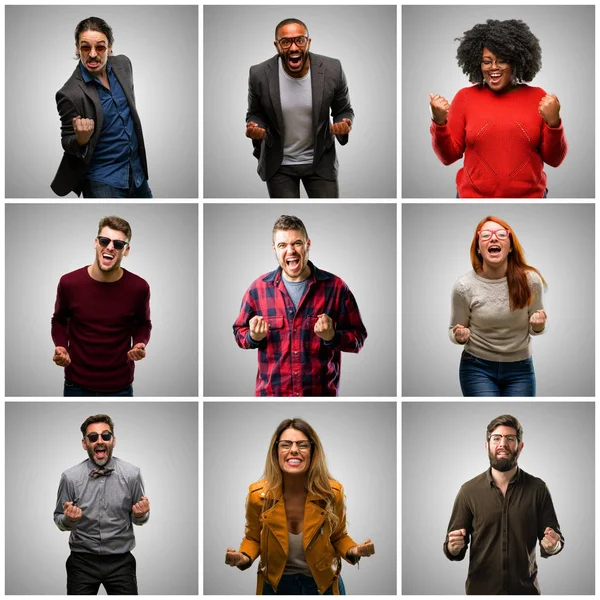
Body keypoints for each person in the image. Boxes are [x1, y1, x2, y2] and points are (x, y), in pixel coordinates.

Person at [225, 418, 375, 594]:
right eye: (286, 445)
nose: (294, 450)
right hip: (275, 585)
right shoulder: (257, 495)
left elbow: (338, 536)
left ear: (313, 451)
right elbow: (252, 538)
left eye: (302, 445)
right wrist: (243, 557)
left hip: (322, 584)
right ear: (276, 451)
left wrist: (354, 549)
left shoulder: (331, 493)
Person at [429, 19, 567, 198]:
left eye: (502, 61)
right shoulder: (465, 98)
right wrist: (439, 123)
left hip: (531, 199)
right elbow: (448, 157)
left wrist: (554, 123)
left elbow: (554, 160)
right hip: (471, 199)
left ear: (516, 62)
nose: (493, 68)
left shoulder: (538, 97)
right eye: (487, 61)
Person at [233, 215, 367, 396]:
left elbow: (358, 338)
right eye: (282, 245)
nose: (291, 251)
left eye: (297, 243)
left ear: (307, 244)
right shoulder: (258, 289)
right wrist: (253, 337)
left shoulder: (336, 288)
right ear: (274, 249)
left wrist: (332, 336)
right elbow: (239, 331)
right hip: (271, 396)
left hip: (320, 396)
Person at [444, 414, 564, 594]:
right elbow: (452, 546)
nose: (502, 444)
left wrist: (553, 546)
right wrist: (453, 548)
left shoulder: (538, 488)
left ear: (520, 447)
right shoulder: (468, 491)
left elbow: (556, 539)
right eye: (496, 438)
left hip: (526, 592)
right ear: (487, 445)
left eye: (510, 439)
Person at [246, 18, 354, 198]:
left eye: (300, 40)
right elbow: (255, 114)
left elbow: (343, 110)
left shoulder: (332, 69)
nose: (294, 48)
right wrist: (255, 127)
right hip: (279, 164)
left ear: (308, 42)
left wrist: (343, 123)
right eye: (286, 42)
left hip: (320, 162)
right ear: (277, 46)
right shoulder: (259, 74)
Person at [51, 17, 151, 198]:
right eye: (85, 47)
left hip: (136, 173)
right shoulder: (69, 94)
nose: (93, 54)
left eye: (100, 47)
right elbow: (67, 141)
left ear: (110, 47)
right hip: (102, 180)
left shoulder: (123, 65)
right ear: (77, 48)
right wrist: (81, 139)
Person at [51, 215, 151, 396]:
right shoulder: (69, 282)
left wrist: (140, 343)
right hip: (76, 384)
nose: (110, 247)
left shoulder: (139, 287)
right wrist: (61, 346)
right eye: (105, 241)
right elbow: (59, 320)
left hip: (121, 386)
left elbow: (143, 323)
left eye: (119, 244)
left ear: (126, 250)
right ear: (96, 243)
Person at [449, 215, 546, 396]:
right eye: (485, 235)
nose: (493, 238)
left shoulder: (530, 281)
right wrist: (459, 336)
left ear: (510, 247)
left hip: (521, 369)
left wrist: (538, 325)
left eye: (501, 234)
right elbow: (454, 329)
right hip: (477, 368)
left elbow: (536, 328)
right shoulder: (464, 286)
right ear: (478, 248)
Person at [54, 414, 150, 594]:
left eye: (105, 436)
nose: (100, 441)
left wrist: (140, 515)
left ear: (113, 441)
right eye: (93, 437)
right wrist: (68, 519)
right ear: (85, 443)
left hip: (121, 563)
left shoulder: (132, 474)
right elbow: (58, 518)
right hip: (82, 562)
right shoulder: (70, 477)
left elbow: (140, 517)